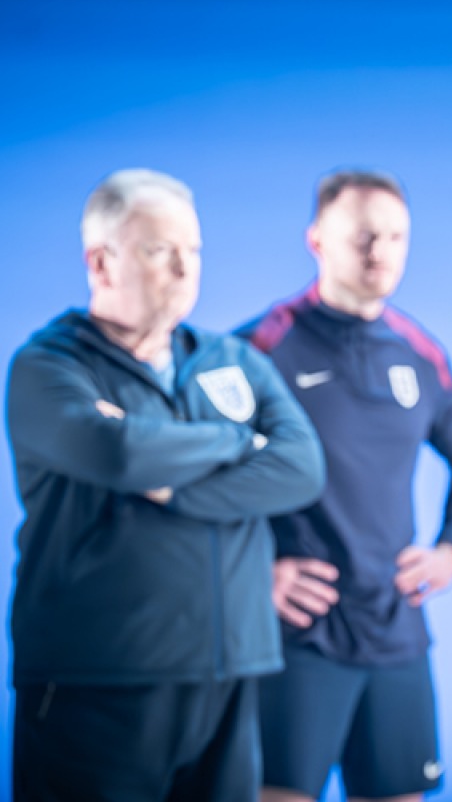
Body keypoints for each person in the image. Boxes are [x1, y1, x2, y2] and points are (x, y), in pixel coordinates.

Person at [5, 169, 325, 802]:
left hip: (230, 671)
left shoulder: (233, 360)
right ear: (100, 262)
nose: (184, 268)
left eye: (193, 250)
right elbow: (116, 452)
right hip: (98, 679)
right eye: (159, 250)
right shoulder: (48, 366)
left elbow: (301, 467)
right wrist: (238, 441)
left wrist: (172, 483)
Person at [238, 171, 452, 802]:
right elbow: (203, 476)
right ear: (318, 240)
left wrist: (451, 549)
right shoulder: (258, 350)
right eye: (361, 236)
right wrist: (254, 572)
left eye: (394, 236)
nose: (378, 251)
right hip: (299, 635)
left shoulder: (418, 353)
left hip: (393, 628)